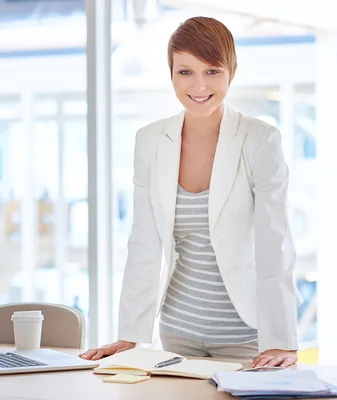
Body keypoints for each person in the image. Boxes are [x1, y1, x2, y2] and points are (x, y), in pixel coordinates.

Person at [79, 16, 302, 368]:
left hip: (246, 335)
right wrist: (130, 333)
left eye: (212, 71)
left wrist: (283, 340)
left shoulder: (260, 140)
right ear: (171, 73)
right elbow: (144, 241)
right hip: (177, 331)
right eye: (185, 72)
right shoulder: (150, 140)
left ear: (232, 71)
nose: (198, 84)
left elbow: (276, 243)